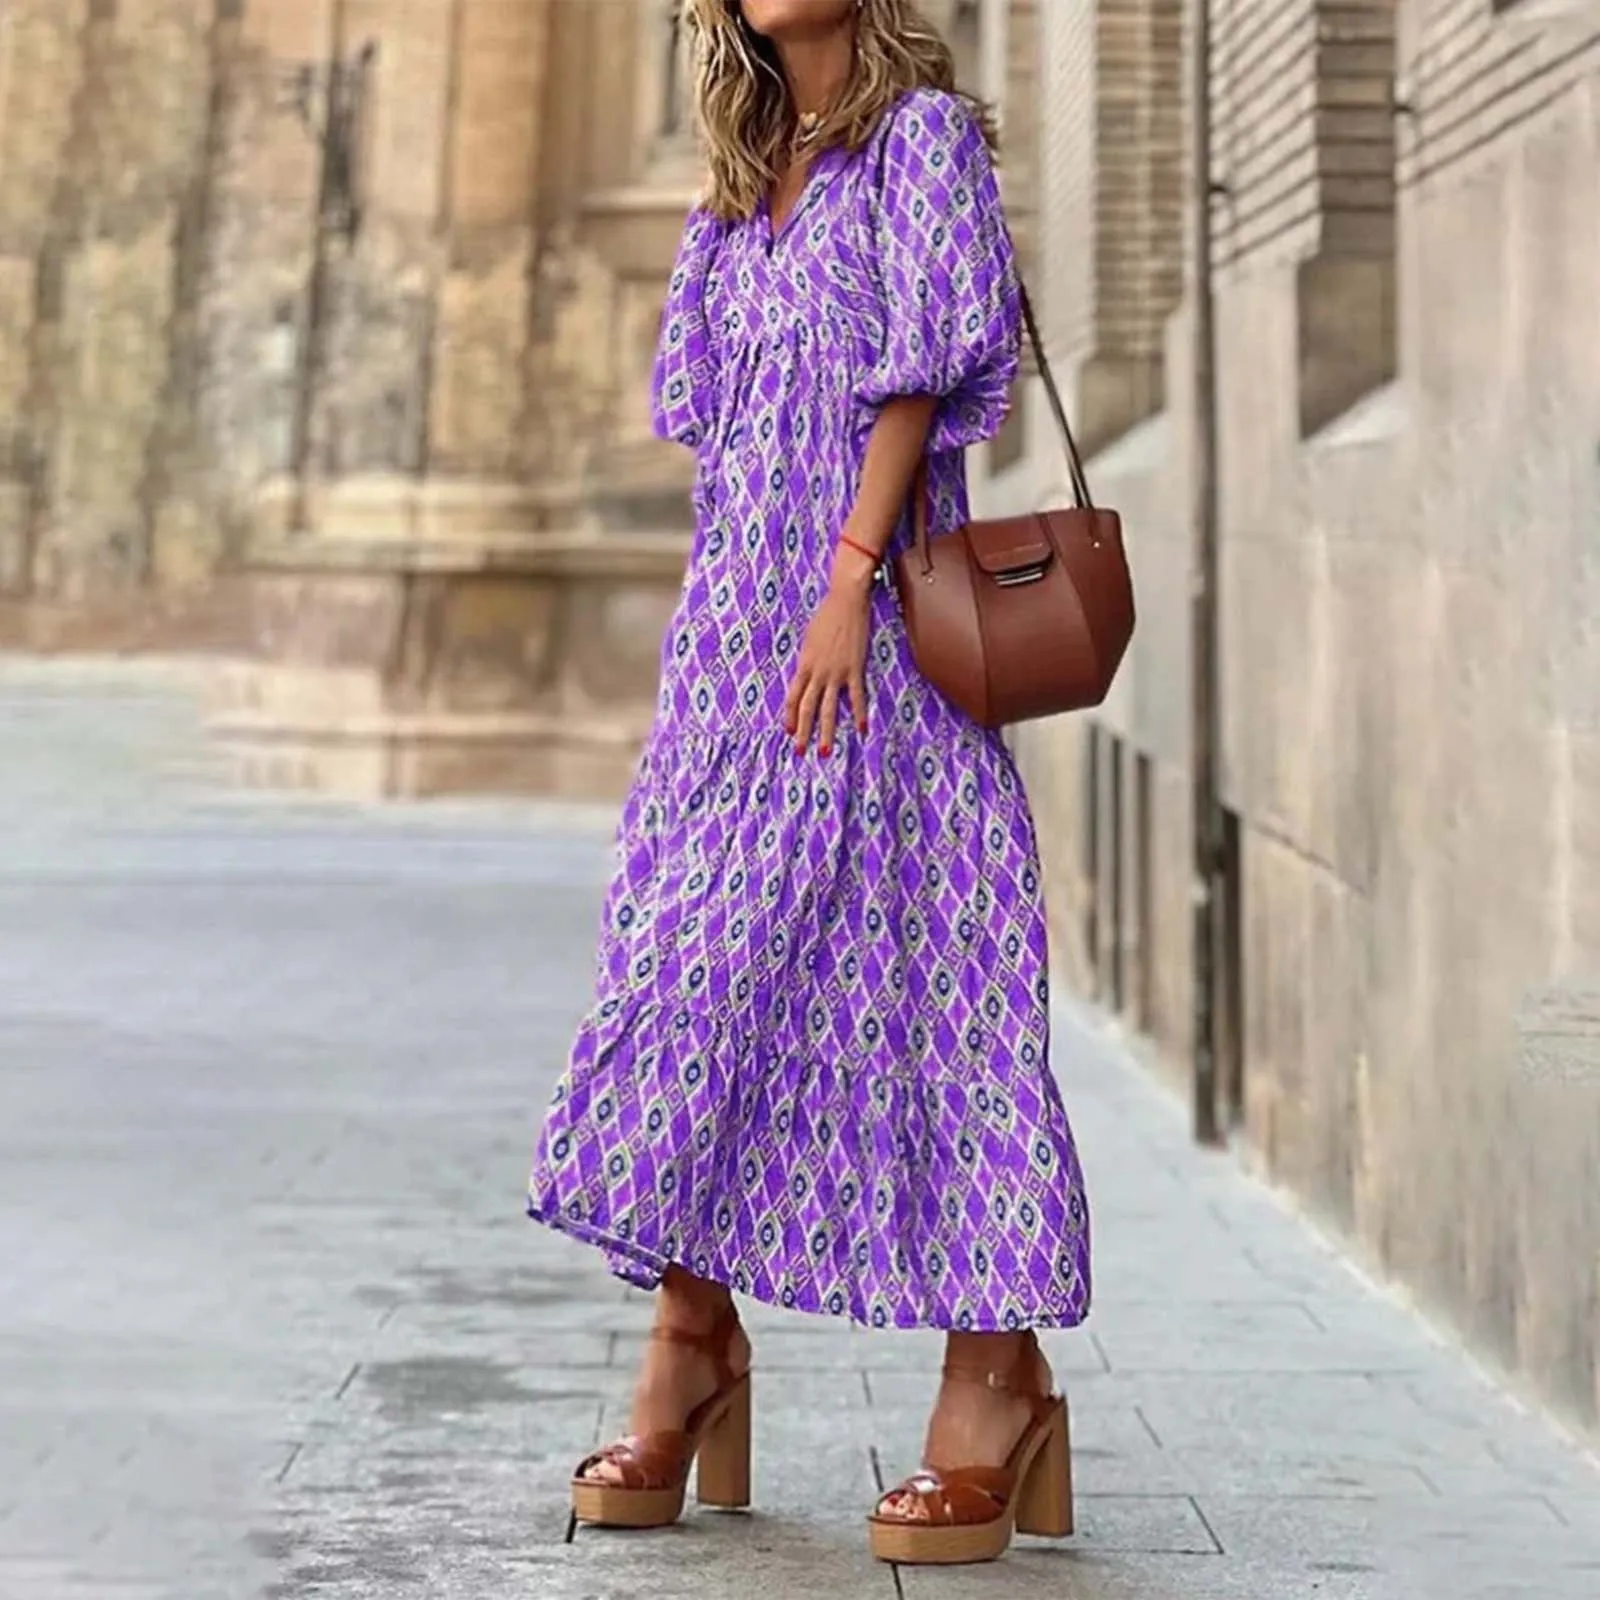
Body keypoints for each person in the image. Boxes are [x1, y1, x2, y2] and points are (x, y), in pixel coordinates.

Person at [527, 0, 1092, 1567]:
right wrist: (753, 617)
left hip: (883, 634)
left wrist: (845, 582)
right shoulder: (735, 178)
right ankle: (692, 1344)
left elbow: (919, 377)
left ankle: (998, 1373)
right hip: (735, 650)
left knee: (932, 984)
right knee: (687, 969)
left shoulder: (921, 143)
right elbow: (716, 429)